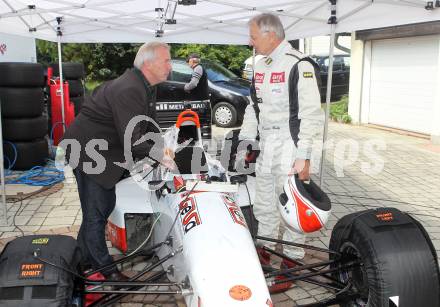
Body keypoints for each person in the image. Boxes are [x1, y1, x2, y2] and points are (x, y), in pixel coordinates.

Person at [62, 42, 173, 280]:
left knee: (100, 207)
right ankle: (107, 273)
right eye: (166, 60)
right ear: (148, 63)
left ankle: (82, 259)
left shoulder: (146, 86)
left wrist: (162, 145)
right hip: (88, 152)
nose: (170, 66)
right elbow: (132, 139)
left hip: (102, 151)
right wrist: (160, 155)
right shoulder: (130, 88)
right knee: (97, 211)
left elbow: (147, 127)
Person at [239, 13, 324, 292]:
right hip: (267, 144)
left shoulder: (300, 64)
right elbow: (254, 106)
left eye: (253, 36)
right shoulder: (258, 66)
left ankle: (292, 264)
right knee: (264, 203)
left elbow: (312, 115)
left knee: (292, 208)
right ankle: (263, 256)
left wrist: (305, 156)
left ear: (271, 34)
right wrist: (246, 140)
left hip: (292, 145)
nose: (249, 41)